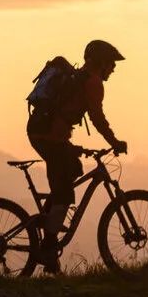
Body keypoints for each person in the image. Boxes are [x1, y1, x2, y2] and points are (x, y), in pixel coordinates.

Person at [28, 38, 128, 273]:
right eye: (111, 64)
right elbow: (97, 118)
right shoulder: (92, 82)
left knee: (72, 169)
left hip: (47, 135)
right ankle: (48, 246)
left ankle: (47, 220)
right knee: (65, 195)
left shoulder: (81, 78)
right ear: (101, 62)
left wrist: (74, 148)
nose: (113, 69)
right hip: (48, 138)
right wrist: (115, 142)